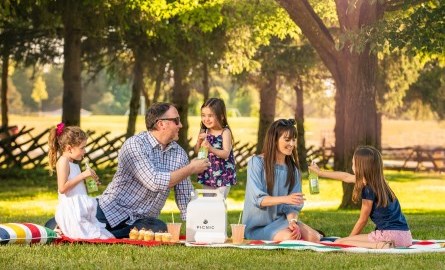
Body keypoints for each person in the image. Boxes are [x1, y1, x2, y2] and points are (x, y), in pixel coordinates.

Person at [309, 145, 412, 248]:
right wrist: (320, 173)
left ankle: (379, 245)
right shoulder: (380, 183)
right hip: (406, 237)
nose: (352, 166)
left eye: (354, 163)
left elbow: (363, 220)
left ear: (361, 167)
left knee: (340, 242)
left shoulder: (368, 189)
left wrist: (348, 240)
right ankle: (380, 244)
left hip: (390, 237)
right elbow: (345, 177)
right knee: (344, 240)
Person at [242, 119, 321, 242]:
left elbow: (292, 206)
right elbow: (259, 200)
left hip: (282, 222)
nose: (292, 144)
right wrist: (286, 199)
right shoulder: (256, 163)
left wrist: (292, 221)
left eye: (293, 139)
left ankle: (307, 232)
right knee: (290, 237)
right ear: (274, 140)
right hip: (258, 226)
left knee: (314, 238)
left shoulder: (293, 169)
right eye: (287, 139)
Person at [47, 123, 114, 239]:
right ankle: (60, 228)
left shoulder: (73, 164)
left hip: (80, 212)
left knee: (107, 236)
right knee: (99, 237)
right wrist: (82, 175)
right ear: (69, 148)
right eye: (82, 148)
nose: (85, 151)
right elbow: (62, 188)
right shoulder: (63, 161)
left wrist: (90, 181)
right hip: (71, 213)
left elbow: (75, 186)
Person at [194, 98, 236, 198]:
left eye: (210, 115)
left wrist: (210, 148)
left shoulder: (225, 132)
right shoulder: (204, 131)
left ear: (221, 116)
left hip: (224, 175)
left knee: (219, 204)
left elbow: (226, 154)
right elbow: (197, 152)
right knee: (208, 204)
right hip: (208, 174)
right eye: (203, 115)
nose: (206, 119)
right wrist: (199, 142)